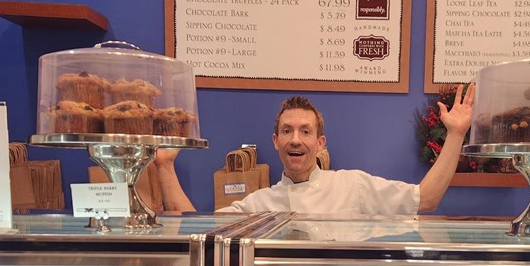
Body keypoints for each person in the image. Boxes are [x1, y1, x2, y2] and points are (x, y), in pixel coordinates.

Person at [155, 85, 474, 215]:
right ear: (275, 141)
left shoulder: (353, 186)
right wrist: (164, 166)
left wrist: (456, 135)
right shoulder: (258, 205)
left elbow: (426, 200)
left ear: (320, 143)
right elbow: (195, 236)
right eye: (287, 131)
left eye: (305, 131)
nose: (296, 139)